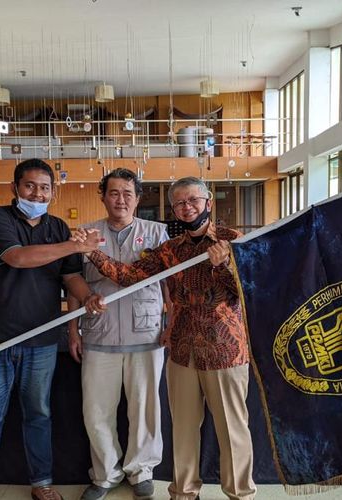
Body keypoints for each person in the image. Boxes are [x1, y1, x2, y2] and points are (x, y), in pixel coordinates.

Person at [74, 177, 256, 500]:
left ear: (208, 202)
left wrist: (227, 265)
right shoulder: (170, 250)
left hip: (224, 350)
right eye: (180, 204)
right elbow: (131, 276)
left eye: (193, 201)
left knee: (232, 429)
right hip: (182, 351)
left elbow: (252, 291)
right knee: (183, 429)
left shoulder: (234, 241)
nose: (187, 208)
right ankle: (183, 493)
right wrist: (94, 254)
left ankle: (240, 494)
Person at [0, 159, 105, 500]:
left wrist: (88, 296)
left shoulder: (58, 227)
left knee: (39, 415)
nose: (37, 194)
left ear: (53, 192)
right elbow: (18, 257)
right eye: (30, 186)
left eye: (44, 188)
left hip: (41, 341)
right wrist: (76, 245)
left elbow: (70, 276)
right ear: (15, 188)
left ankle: (42, 483)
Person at [67, 168, 170, 500]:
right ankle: (105, 473)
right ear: (103, 197)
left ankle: (141, 470)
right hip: (100, 334)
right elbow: (73, 284)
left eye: (128, 193)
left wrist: (170, 322)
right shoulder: (86, 235)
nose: (121, 199)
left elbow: (169, 284)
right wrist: (73, 330)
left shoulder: (156, 232)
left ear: (137, 199)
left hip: (147, 334)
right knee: (96, 410)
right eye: (114, 193)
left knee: (145, 407)